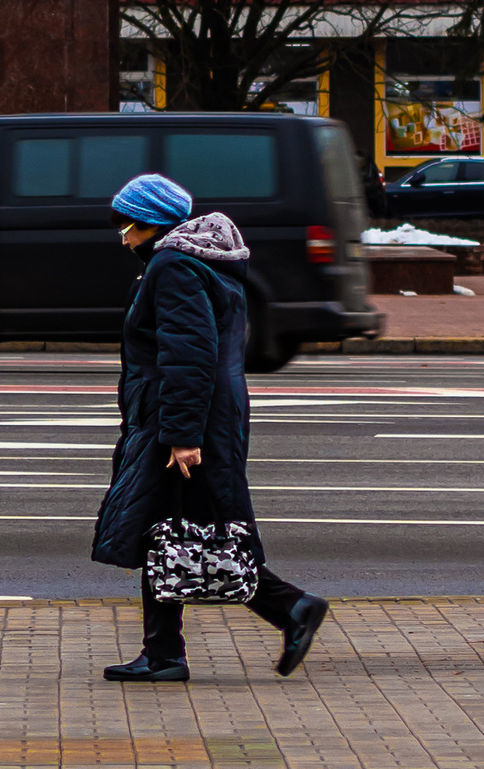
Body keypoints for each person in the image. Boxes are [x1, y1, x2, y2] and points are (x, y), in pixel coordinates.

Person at [90, 173, 329, 686]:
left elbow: (189, 355)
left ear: (152, 223)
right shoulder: (202, 263)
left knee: (184, 528)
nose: (123, 238)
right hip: (199, 415)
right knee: (166, 528)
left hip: (182, 420)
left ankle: (288, 608)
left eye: (127, 226)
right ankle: (165, 652)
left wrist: (182, 435)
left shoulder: (174, 267)